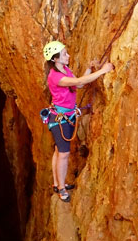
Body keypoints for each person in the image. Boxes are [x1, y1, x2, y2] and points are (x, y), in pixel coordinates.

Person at [42, 41, 113, 202]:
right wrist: (102, 71)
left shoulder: (64, 69)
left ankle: (56, 183)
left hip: (62, 116)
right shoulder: (56, 77)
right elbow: (79, 82)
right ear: (55, 59)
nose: (68, 56)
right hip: (60, 120)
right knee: (64, 154)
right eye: (65, 54)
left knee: (58, 151)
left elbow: (78, 85)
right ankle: (61, 188)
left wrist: (89, 68)